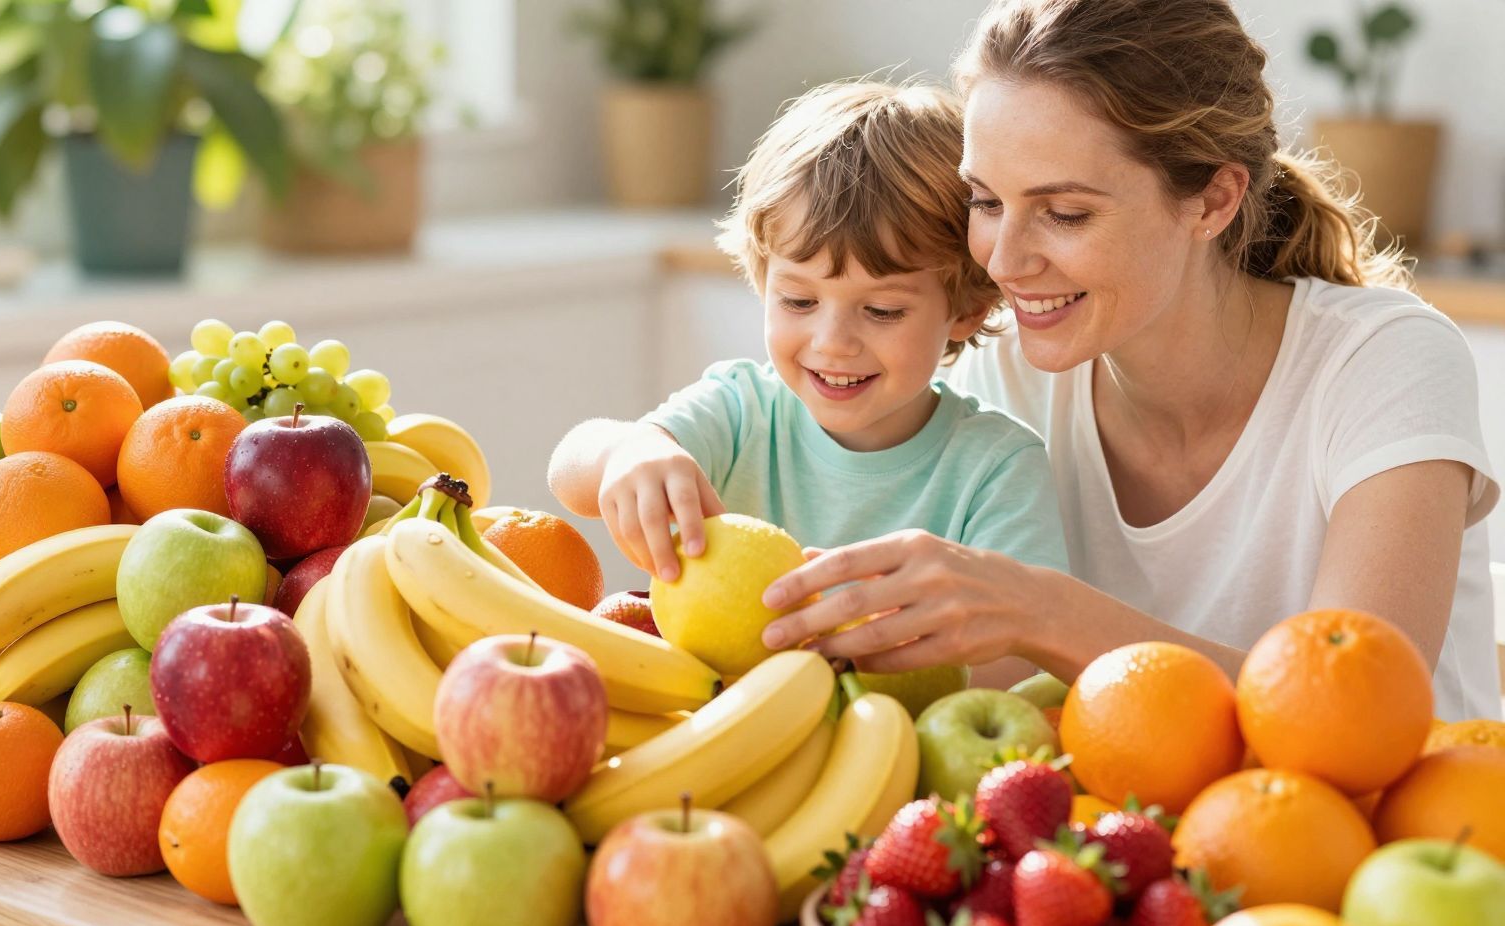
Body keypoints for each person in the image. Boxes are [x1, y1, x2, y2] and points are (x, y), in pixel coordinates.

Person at [758, 0, 1499, 720]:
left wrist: (1041, 612)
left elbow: (1356, 708)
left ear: (1213, 201)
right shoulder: (1002, 376)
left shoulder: (1381, 363)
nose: (1004, 261)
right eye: (986, 202)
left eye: (1065, 213)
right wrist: (649, 452)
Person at [548, 80, 1070, 638]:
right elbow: (570, 472)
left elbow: (1020, 658)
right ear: (762, 283)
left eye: (883, 310)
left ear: (965, 310)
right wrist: (629, 450)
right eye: (799, 301)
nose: (832, 342)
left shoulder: (997, 469)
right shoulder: (743, 411)